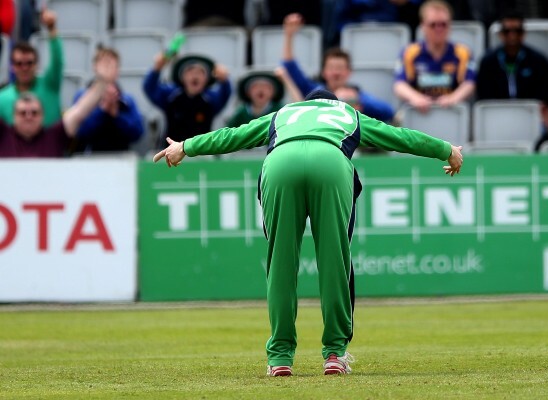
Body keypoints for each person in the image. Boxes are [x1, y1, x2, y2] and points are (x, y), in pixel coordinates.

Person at [153, 88, 464, 377]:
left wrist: (186, 146)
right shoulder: (348, 114)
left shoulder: (284, 114)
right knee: (334, 261)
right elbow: (399, 137)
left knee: (281, 263)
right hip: (330, 162)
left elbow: (234, 136)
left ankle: (280, 358)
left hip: (280, 164)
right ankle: (334, 354)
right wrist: (446, 149)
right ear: (335, 103)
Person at [282, 13, 395, 123]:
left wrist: (354, 100)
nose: (336, 72)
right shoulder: (313, 91)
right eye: (331, 68)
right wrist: (289, 36)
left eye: (340, 68)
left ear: (349, 72)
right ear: (323, 72)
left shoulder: (358, 95)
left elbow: (388, 112)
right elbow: (290, 67)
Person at [0, 56, 118, 157]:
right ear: (13, 116)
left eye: (34, 112)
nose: (29, 116)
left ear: (42, 116)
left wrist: (103, 81)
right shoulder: (3, 134)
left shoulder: (55, 135)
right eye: (23, 113)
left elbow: (80, 111)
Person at [393, 0, 476, 113]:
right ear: (422, 25)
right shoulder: (409, 52)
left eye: (443, 24)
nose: (439, 29)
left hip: (451, 111)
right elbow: (399, 85)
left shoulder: (463, 52)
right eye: (433, 25)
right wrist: (415, 98)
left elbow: (469, 83)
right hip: (419, 111)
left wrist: (453, 98)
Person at [143, 52, 232, 148]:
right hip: (172, 152)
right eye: (190, 71)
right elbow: (150, 88)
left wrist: (224, 80)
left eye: (200, 72)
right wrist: (157, 68)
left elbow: (225, 94)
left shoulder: (211, 99)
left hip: (202, 154)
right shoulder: (171, 95)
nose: (195, 76)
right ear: (182, 77)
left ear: (207, 79)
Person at [71, 46, 144, 153]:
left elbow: (137, 133)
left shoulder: (127, 100)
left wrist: (116, 115)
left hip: (121, 158)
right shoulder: (82, 97)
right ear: (95, 67)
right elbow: (78, 132)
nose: (108, 69)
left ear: (118, 70)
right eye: (105, 64)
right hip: (88, 159)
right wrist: (103, 109)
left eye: (112, 65)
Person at [476, 11, 548, 106]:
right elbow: (483, 97)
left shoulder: (538, 61)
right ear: (501, 34)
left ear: (523, 34)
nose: (512, 36)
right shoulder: (488, 62)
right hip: (497, 114)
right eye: (507, 31)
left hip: (530, 114)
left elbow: (545, 95)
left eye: (517, 31)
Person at [0, 7, 62, 126]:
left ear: (37, 65)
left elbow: (57, 62)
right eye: (19, 63)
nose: (24, 68)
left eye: (29, 63)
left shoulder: (50, 86)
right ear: (12, 67)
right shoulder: (2, 98)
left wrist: (52, 28)